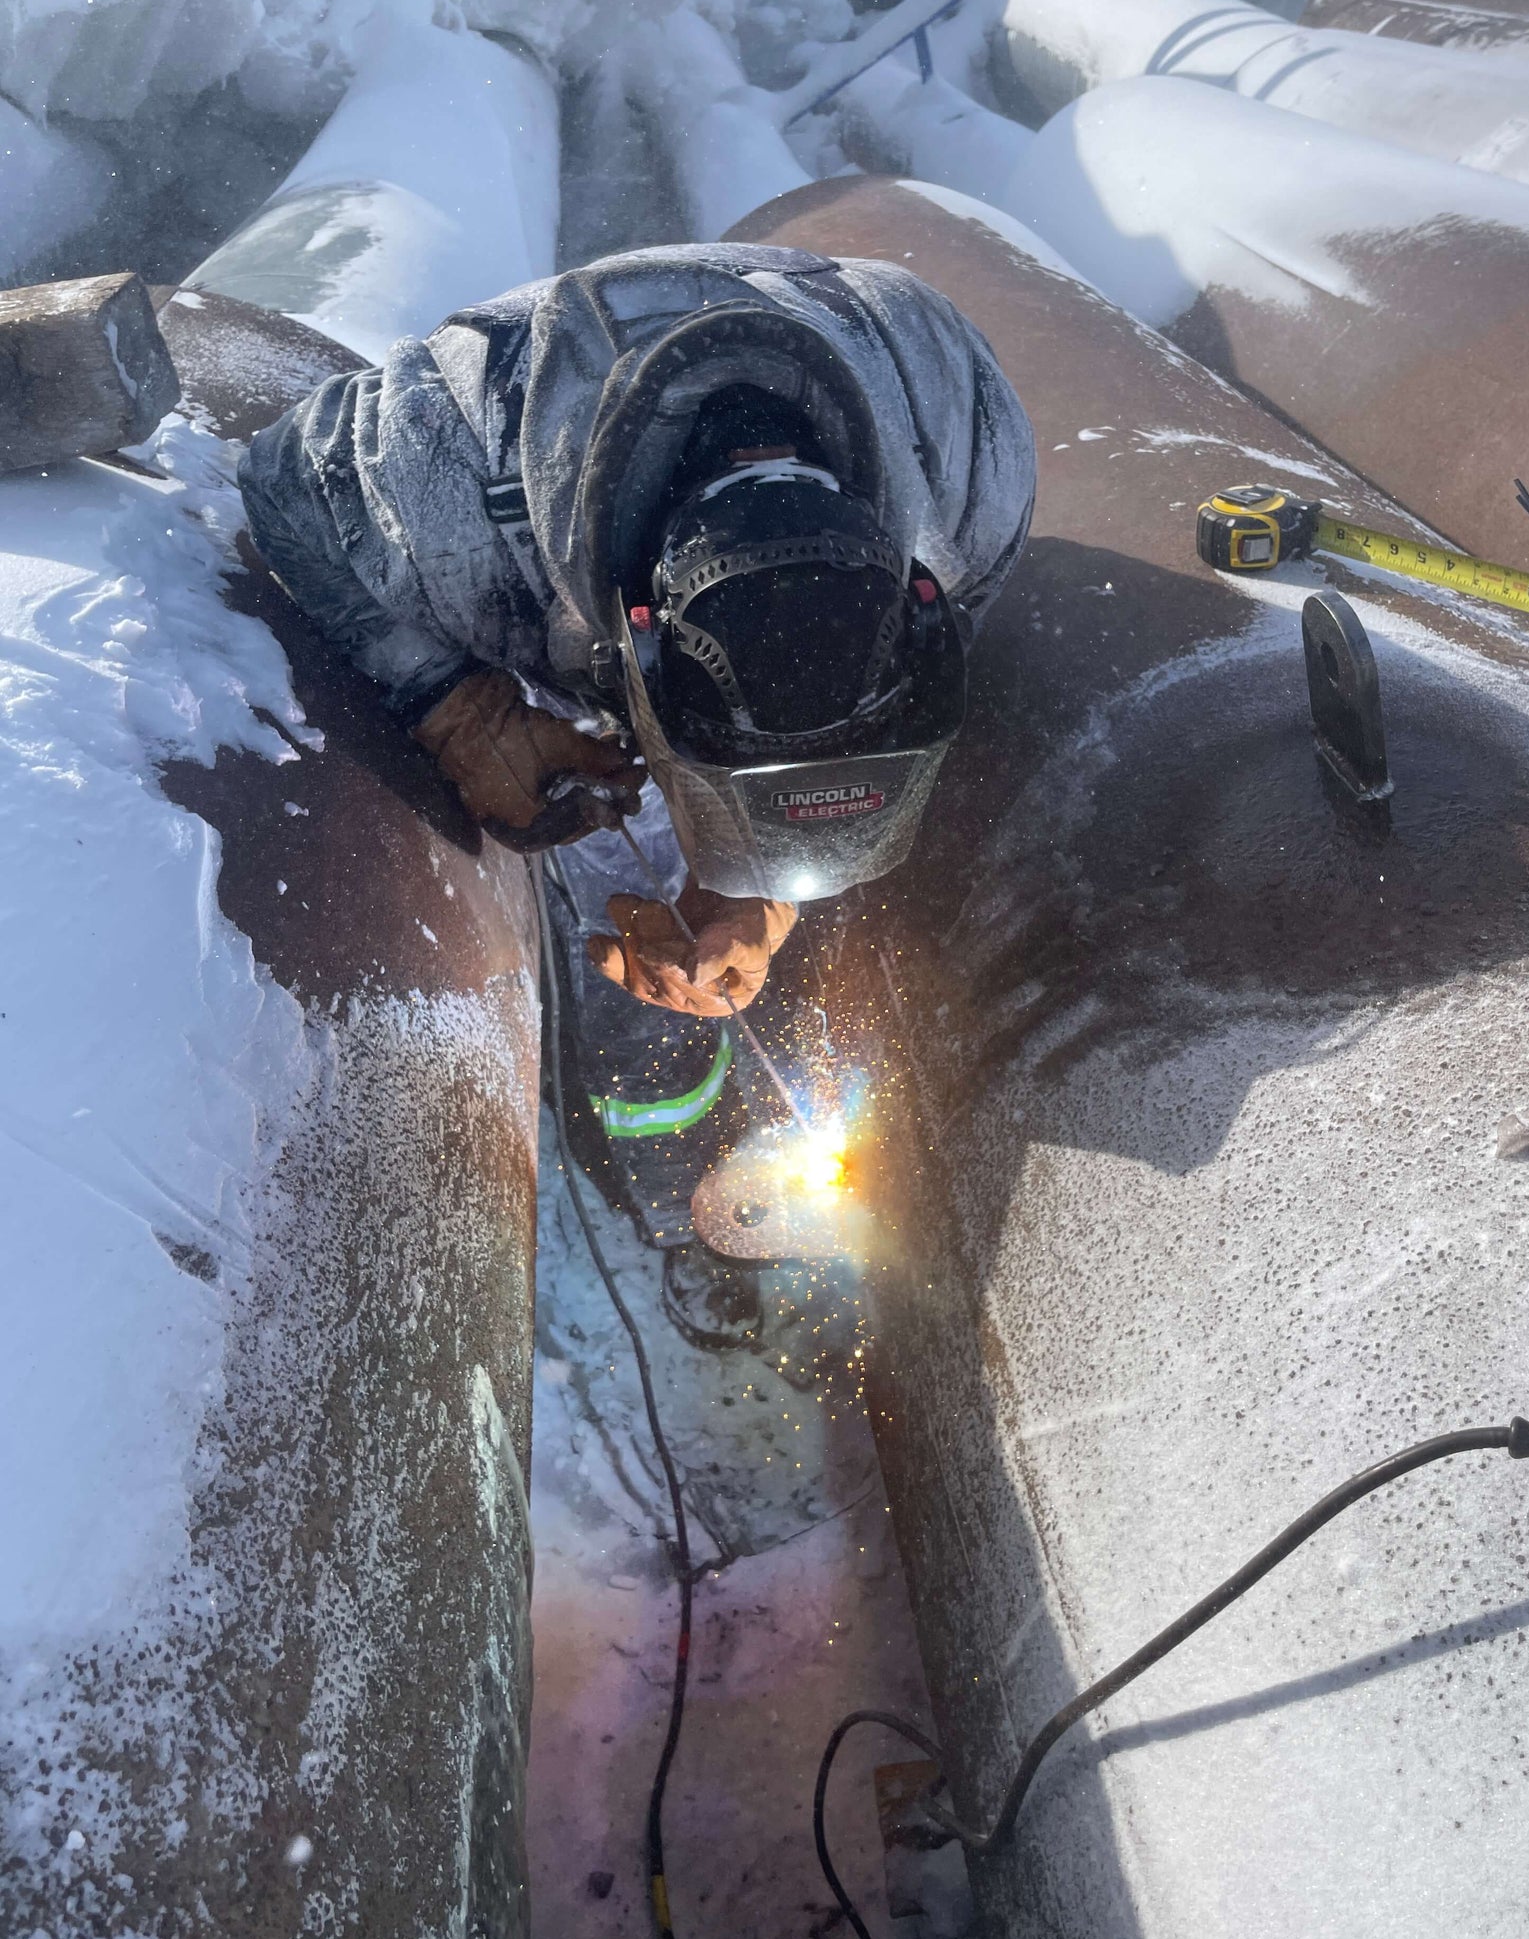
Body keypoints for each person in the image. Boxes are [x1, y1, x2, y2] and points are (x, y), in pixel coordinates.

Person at [240, 240, 1034, 1334]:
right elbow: (280, 488)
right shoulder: (435, 491)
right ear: (636, 662)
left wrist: (768, 889)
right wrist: (453, 702)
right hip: (536, 452)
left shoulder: (964, 460)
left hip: (821, 364)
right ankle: (662, 1204)